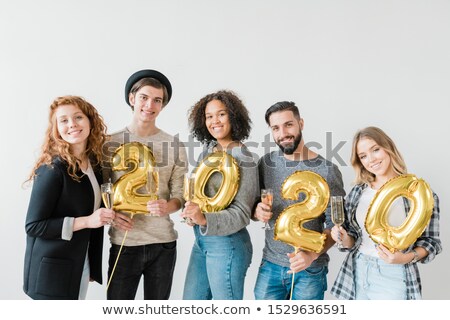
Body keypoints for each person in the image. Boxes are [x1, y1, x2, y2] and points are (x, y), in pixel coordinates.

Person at [104, 69, 188, 300]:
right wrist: (110, 214)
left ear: (162, 106)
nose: (149, 105)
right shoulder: (109, 143)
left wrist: (167, 207)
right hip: (124, 241)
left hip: (163, 243)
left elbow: (180, 195)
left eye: (157, 100)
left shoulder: (174, 145)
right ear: (132, 99)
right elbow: (101, 190)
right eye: (144, 97)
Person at [330, 126, 442, 300]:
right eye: (363, 156)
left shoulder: (419, 194)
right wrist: (343, 239)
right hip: (357, 270)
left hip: (393, 275)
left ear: (388, 148)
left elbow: (432, 243)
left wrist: (405, 258)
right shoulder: (358, 192)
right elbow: (353, 239)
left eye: (375, 150)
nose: (371, 160)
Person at [23, 95, 115, 300]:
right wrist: (87, 221)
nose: (72, 124)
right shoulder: (52, 169)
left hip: (79, 264)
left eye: (78, 117)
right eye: (63, 120)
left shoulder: (94, 165)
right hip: (51, 272)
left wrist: (91, 263)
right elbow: (34, 225)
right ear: (56, 128)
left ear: (90, 120)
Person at [253, 101, 345, 300]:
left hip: (310, 269)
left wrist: (310, 256)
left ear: (301, 123)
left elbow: (336, 224)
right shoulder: (265, 164)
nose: (283, 133)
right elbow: (253, 206)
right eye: (275, 128)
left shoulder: (327, 170)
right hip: (270, 265)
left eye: (288, 125)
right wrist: (256, 211)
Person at [181, 90, 258, 300]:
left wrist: (204, 218)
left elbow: (242, 214)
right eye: (209, 116)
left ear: (233, 117)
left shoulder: (245, 158)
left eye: (221, 114)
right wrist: (190, 212)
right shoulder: (208, 150)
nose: (215, 121)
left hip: (228, 245)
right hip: (202, 241)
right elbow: (198, 194)